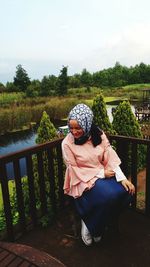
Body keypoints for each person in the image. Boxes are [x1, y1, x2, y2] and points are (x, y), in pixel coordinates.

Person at [61, 103, 135, 246]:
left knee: (128, 193)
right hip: (82, 178)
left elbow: (109, 155)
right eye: (71, 127)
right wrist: (101, 173)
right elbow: (74, 169)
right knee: (109, 197)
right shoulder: (67, 143)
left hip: (102, 174)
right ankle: (91, 225)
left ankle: (93, 221)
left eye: (78, 127)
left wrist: (122, 178)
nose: (74, 132)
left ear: (87, 124)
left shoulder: (98, 134)